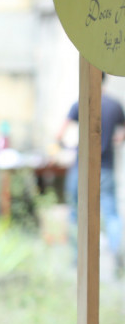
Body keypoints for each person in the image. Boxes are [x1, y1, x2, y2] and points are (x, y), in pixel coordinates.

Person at [57, 76, 125, 267]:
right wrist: (115, 141)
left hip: (83, 167)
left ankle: (77, 260)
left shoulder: (81, 103)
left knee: (76, 213)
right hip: (107, 167)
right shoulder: (115, 105)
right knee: (111, 213)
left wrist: (67, 146)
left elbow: (59, 134)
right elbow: (122, 132)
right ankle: (115, 260)